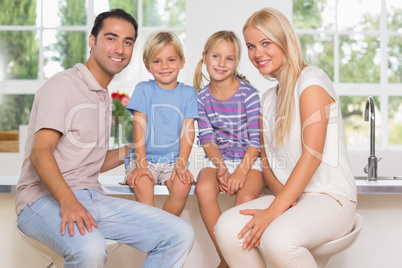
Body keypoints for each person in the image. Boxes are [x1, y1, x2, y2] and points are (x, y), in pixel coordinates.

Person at [15, 9, 194, 268]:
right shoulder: (63, 86)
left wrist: (135, 150)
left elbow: (88, 161)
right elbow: (40, 152)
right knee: (91, 248)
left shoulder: (101, 96)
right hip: (41, 200)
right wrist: (69, 202)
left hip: (91, 196)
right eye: (111, 38)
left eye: (128, 42)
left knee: (179, 234)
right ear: (92, 41)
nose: (120, 48)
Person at [214, 8, 358, 268]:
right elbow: (268, 162)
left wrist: (274, 210)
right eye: (251, 46)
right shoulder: (268, 99)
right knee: (226, 227)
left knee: (278, 239)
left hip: (332, 198)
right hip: (295, 198)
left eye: (266, 43)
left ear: (285, 40)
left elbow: (312, 156)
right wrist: (286, 201)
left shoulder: (311, 82)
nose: (258, 53)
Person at [194, 30, 264, 268]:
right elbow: (207, 140)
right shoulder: (202, 99)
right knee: (203, 189)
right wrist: (221, 167)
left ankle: (228, 263)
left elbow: (256, 141)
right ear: (204, 57)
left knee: (245, 198)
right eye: (216, 56)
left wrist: (241, 172)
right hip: (218, 159)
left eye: (229, 58)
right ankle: (228, 259)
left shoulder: (249, 95)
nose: (221, 63)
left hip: (249, 160)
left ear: (236, 63)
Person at [122, 31, 198, 217]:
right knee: (143, 185)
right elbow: (139, 128)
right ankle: (156, 231)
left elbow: (188, 131)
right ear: (147, 65)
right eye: (157, 61)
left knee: (182, 187)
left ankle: (166, 229)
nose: (164, 66)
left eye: (171, 60)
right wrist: (141, 165)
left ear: (182, 62)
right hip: (143, 159)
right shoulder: (143, 90)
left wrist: (181, 164)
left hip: (173, 161)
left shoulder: (188, 93)